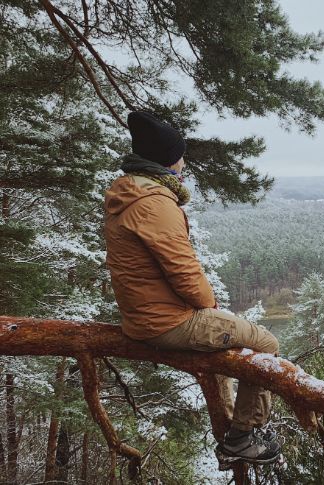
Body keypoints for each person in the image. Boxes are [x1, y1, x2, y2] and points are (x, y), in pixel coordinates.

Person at [103, 111, 281, 467]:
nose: (184, 163)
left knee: (232, 340)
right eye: (181, 155)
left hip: (141, 317)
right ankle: (242, 438)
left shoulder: (128, 195)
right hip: (166, 322)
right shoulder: (154, 204)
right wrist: (209, 304)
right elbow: (185, 275)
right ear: (167, 161)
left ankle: (238, 425)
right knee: (265, 343)